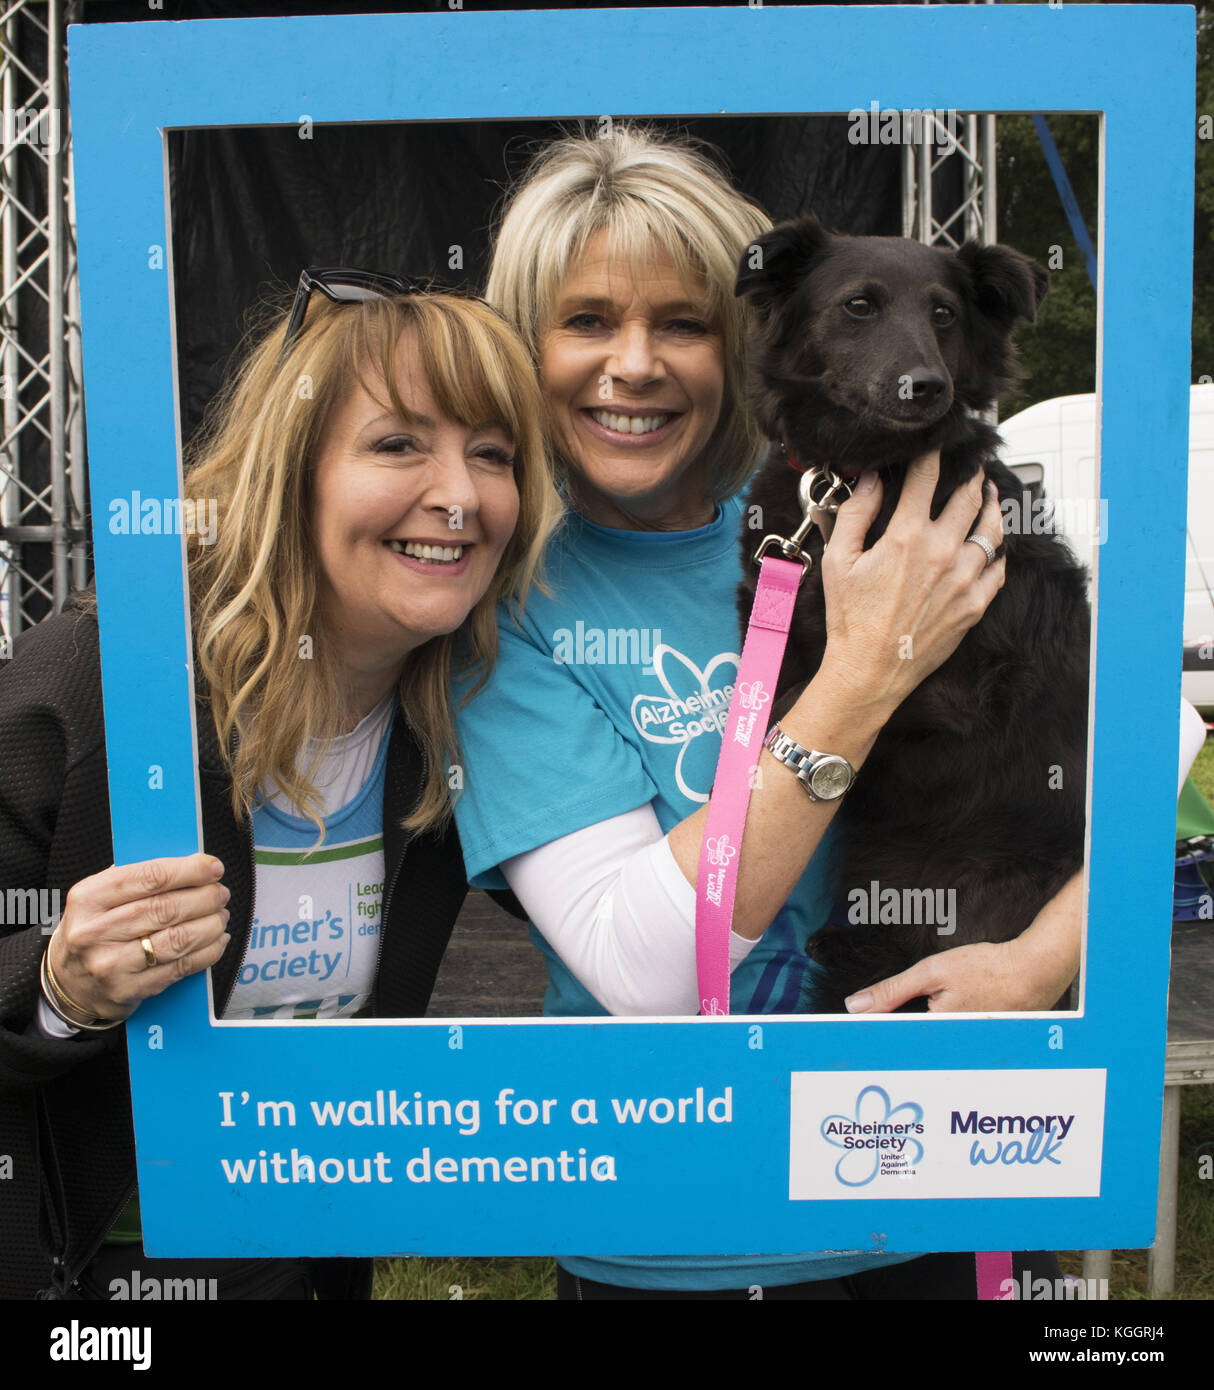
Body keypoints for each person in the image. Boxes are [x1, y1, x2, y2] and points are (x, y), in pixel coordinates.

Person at [451, 126, 1082, 1298]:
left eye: (680, 323)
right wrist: (865, 671)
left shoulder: (906, 509)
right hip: (672, 1223)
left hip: (939, 1181)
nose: (631, 364)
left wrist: (1042, 956)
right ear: (518, 346)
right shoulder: (502, 607)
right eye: (585, 320)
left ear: (741, 336)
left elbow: (1162, 775)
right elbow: (644, 967)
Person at [0, 276, 561, 1299]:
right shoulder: (96, 684)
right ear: (290, 471)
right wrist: (54, 987)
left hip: (295, 1253)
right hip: (87, 1271)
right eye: (399, 444)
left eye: (494, 453)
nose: (460, 495)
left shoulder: (464, 717)